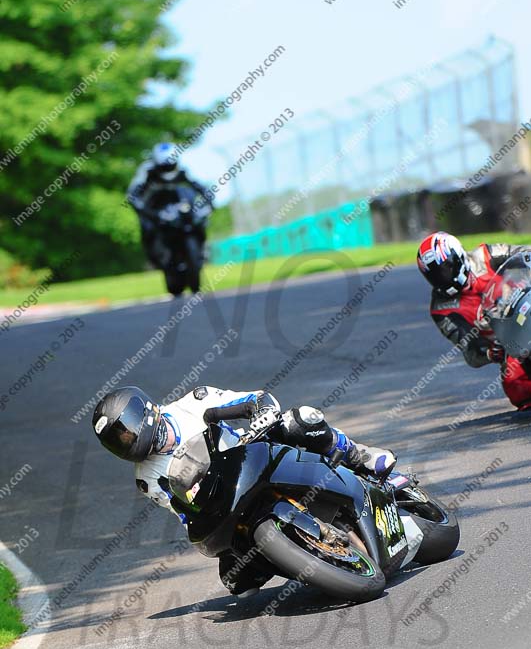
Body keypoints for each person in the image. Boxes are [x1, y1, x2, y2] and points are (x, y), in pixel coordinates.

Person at [92, 385, 396, 595]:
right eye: (117, 441)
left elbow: (257, 399)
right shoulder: (147, 478)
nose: (127, 441)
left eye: (126, 431)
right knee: (237, 579)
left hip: (256, 454)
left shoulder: (193, 403)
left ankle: (358, 455)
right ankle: (310, 559)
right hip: (227, 499)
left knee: (299, 419)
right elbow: (184, 512)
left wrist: (260, 412)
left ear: (143, 412)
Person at [417, 231, 531, 409]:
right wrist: (489, 352)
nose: (442, 278)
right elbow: (470, 350)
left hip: (528, 306)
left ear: (458, 257)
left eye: (445, 270)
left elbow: (525, 255)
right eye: (435, 276)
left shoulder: (487, 255)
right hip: (512, 344)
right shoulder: (442, 309)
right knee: (515, 383)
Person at [127, 142, 212, 269]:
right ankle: (155, 256)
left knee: (198, 217)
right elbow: (132, 195)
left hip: (178, 205)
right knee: (146, 226)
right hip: (154, 208)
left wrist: (209, 203)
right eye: (164, 166)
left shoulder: (183, 169)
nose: (168, 169)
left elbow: (200, 186)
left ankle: (203, 248)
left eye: (171, 165)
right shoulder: (146, 170)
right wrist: (149, 213)